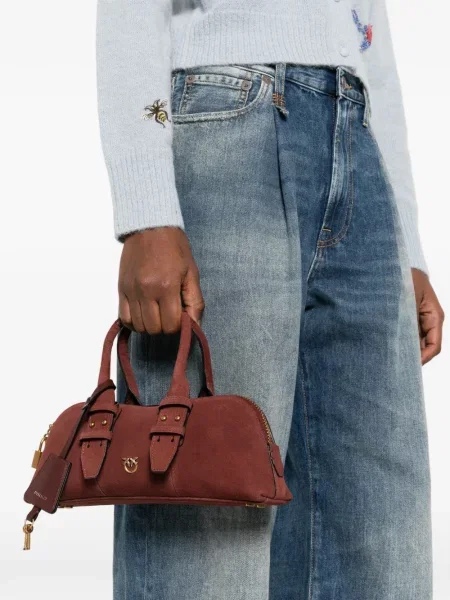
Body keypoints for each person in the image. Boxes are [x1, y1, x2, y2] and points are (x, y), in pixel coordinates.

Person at [96, 1, 444, 598]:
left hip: (357, 138)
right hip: (228, 121)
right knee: (208, 516)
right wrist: (146, 208)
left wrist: (406, 245)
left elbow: (372, 37)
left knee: (377, 537)